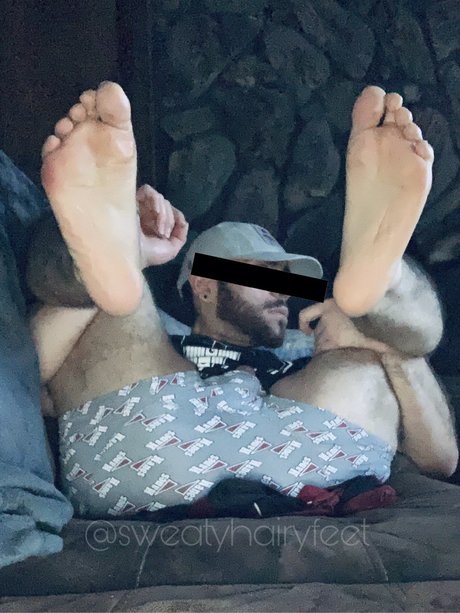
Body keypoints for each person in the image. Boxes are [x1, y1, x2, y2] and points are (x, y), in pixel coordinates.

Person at [27, 81, 458, 518]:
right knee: (117, 308)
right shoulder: (151, 336)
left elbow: (440, 458)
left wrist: (384, 346)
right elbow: (26, 373)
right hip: (162, 435)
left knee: (369, 324)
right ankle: (100, 254)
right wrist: (132, 260)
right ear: (204, 285)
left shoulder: (318, 342)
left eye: (284, 279)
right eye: (259, 275)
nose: (281, 291)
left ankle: (383, 281)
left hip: (307, 450)